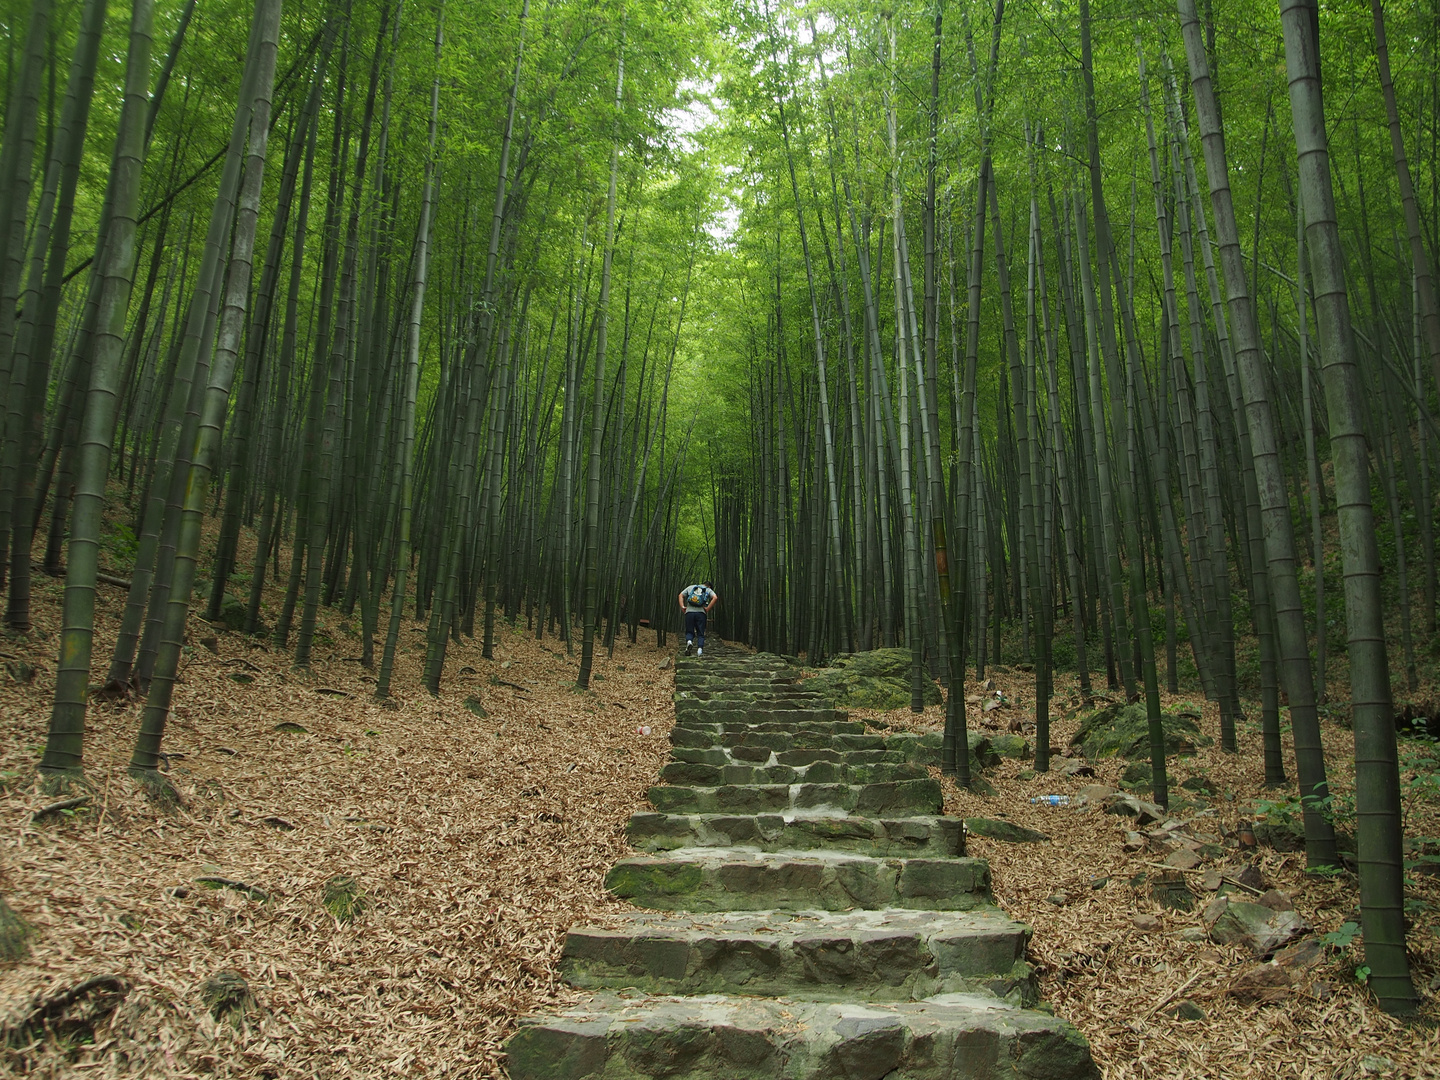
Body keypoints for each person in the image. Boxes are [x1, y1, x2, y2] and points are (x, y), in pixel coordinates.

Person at [677, 581, 718, 656]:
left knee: (689, 631)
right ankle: (699, 650)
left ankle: (689, 641)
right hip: (701, 613)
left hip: (689, 612)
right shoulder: (708, 590)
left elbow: (680, 595)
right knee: (700, 633)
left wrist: (682, 607)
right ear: (709, 586)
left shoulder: (691, 587)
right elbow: (715, 597)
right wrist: (707, 608)